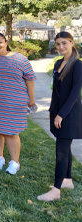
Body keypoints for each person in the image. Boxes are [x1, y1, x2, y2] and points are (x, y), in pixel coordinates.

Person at [37, 32, 82, 201]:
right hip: (57, 111)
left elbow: (74, 94)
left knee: (61, 151)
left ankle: (56, 190)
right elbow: (55, 92)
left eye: (64, 43)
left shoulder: (77, 65)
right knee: (65, 146)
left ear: (72, 43)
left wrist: (61, 115)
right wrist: (52, 111)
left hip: (70, 113)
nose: (61, 47)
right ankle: (67, 180)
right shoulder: (57, 63)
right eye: (58, 44)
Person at [0, 32, 36, 175]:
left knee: (11, 132)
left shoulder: (20, 59)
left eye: (0, 42)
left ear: (6, 42)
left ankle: (15, 162)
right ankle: (0, 158)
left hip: (14, 102)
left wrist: (31, 100)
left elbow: (30, 80)